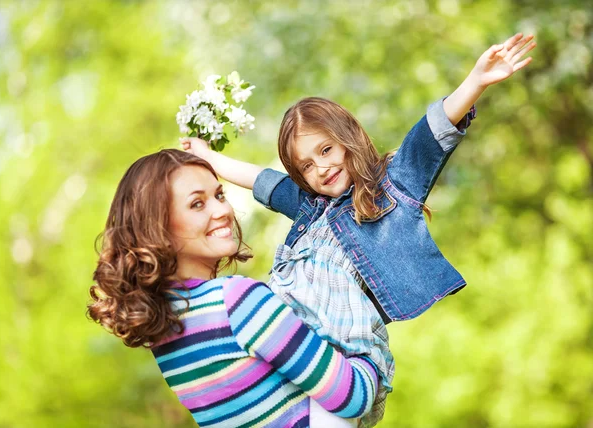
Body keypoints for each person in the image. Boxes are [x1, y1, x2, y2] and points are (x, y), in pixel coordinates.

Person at [181, 33, 537, 426]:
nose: (321, 168)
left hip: (343, 356)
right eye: (306, 166)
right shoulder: (308, 206)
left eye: (326, 150)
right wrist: (205, 157)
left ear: (347, 138)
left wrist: (476, 81)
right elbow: (261, 180)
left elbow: (428, 136)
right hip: (296, 349)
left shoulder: (391, 188)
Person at [86, 149, 380, 428]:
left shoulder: (163, 327)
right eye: (197, 204)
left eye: (219, 195)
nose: (222, 210)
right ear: (158, 227)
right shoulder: (236, 302)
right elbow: (352, 397)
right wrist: (365, 347)